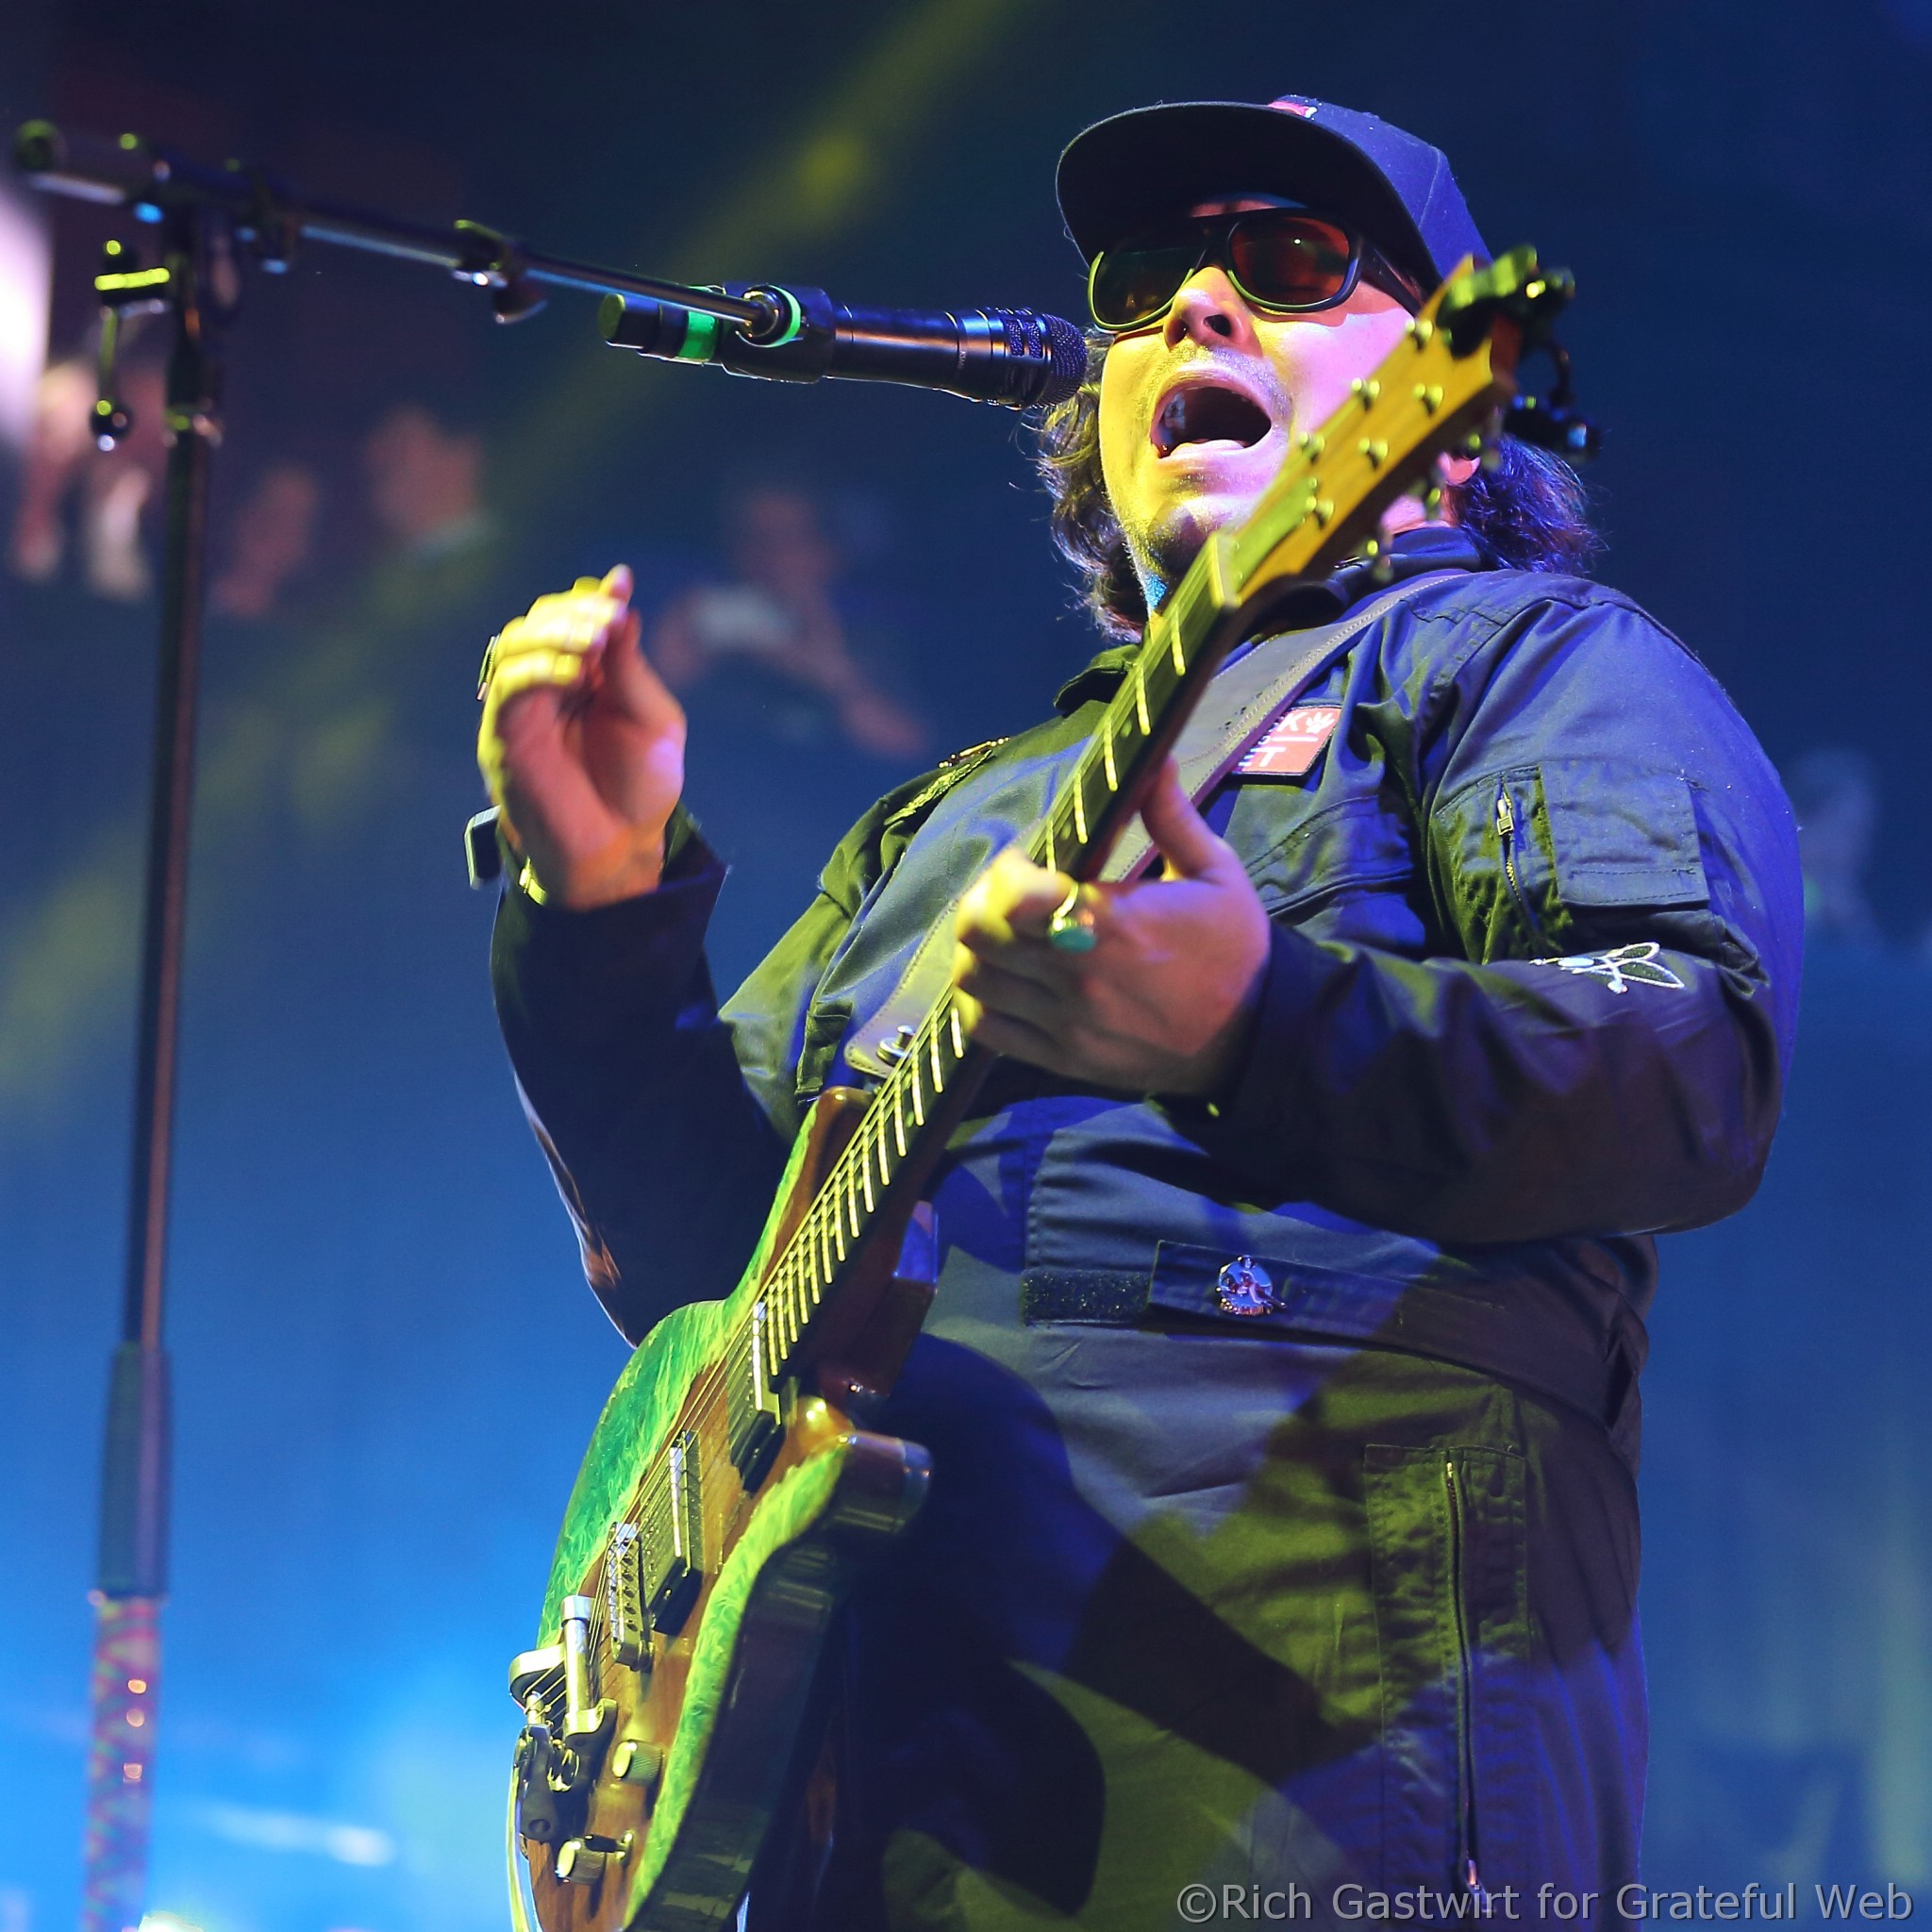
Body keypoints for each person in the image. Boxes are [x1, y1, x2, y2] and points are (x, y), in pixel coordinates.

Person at [475, 95, 1801, 1930]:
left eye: (1290, 262)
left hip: (1304, 1729)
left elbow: (1684, 1071)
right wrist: (603, 913)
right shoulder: (951, 816)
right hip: (867, 1765)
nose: (1193, 304)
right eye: (1145, 278)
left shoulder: (1527, 666)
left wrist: (1257, 1022)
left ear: (1446, 421)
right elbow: (715, 1282)